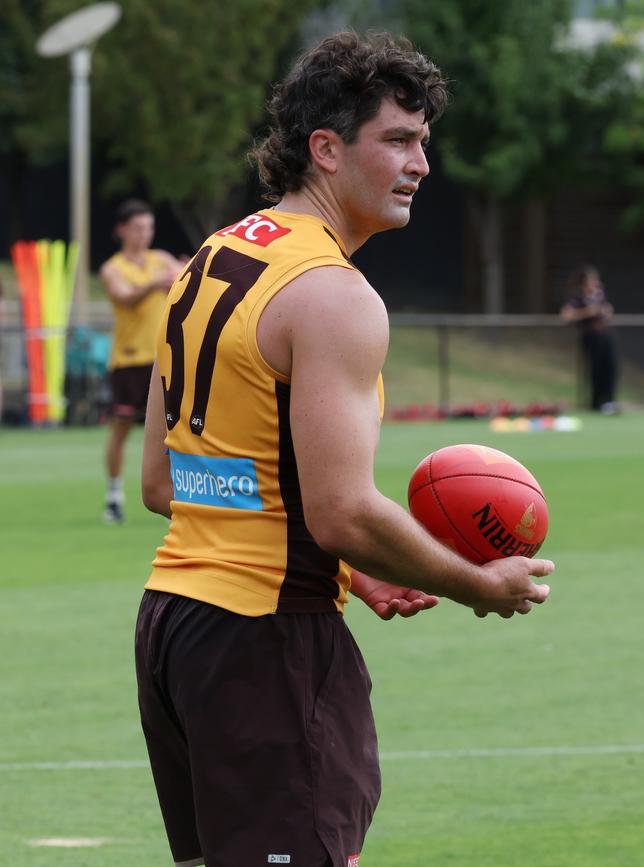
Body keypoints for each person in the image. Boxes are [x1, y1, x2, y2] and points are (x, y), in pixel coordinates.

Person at [137, 32, 554, 867]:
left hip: (176, 628)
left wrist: (354, 566)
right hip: (270, 642)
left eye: (423, 142)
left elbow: (162, 480)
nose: (421, 165)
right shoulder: (333, 295)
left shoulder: (209, 257)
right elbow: (342, 510)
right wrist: (481, 583)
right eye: (398, 140)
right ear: (325, 149)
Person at [100, 199, 183, 522]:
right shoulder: (112, 268)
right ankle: (114, 495)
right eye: (136, 228)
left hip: (164, 358)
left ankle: (177, 492)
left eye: (148, 227)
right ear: (122, 230)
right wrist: (153, 284)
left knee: (176, 428)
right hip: (129, 361)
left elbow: (184, 279)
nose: (143, 234)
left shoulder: (160, 259)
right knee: (122, 429)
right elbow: (123, 296)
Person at [560, 265, 618, 414]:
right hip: (591, 337)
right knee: (595, 369)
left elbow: (606, 314)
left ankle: (609, 401)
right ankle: (596, 402)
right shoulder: (578, 297)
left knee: (610, 367)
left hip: (605, 336)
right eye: (592, 281)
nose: (595, 283)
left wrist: (607, 311)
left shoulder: (599, 296)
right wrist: (588, 312)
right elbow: (566, 315)